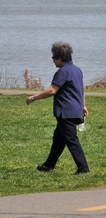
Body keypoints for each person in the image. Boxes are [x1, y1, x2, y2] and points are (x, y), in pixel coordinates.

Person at [26, 42, 89, 175]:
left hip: (65, 112)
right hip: (74, 110)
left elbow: (51, 91)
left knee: (71, 140)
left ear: (60, 58)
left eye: (54, 57)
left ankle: (83, 169)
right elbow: (81, 90)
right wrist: (83, 105)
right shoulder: (77, 70)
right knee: (58, 139)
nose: (53, 60)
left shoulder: (63, 71)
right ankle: (49, 165)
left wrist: (33, 98)